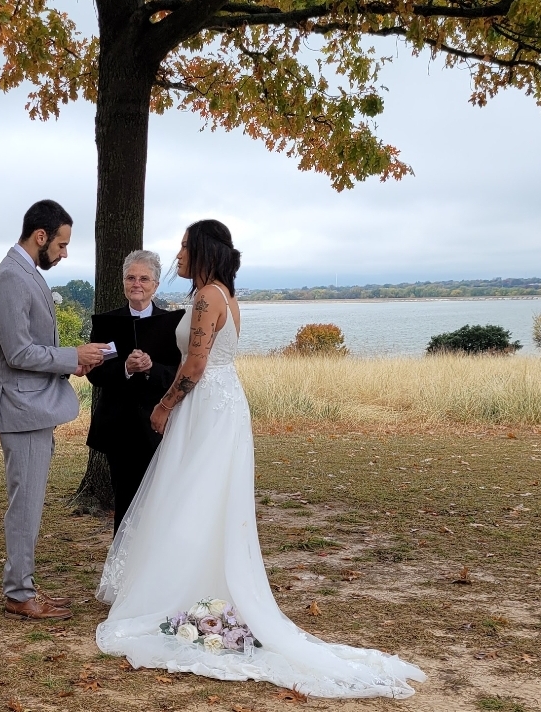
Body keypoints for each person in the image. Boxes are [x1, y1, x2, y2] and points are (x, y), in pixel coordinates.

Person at [95, 220, 426, 697]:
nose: (178, 255)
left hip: (207, 404)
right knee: (205, 496)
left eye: (185, 247)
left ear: (202, 250)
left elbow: (196, 363)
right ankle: (196, 583)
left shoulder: (207, 296)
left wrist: (164, 406)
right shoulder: (225, 294)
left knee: (192, 494)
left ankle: (183, 588)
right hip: (223, 401)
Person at [0, 199, 109, 621]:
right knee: (25, 507)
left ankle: (23, 588)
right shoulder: (11, 278)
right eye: (61, 244)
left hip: (33, 408)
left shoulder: (25, 273)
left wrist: (73, 362)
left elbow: (31, 349)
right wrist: (71, 355)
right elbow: (18, 352)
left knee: (30, 504)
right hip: (21, 410)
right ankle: (19, 594)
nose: (64, 253)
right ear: (40, 237)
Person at [86, 250, 181, 533]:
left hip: (159, 425)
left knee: (161, 502)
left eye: (144, 278)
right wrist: (125, 368)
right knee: (125, 503)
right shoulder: (106, 323)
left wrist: (152, 368)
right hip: (120, 428)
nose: (136, 284)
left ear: (156, 285)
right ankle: (123, 558)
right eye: (130, 278)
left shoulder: (173, 324)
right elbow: (95, 374)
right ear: (123, 282)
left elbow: (179, 374)